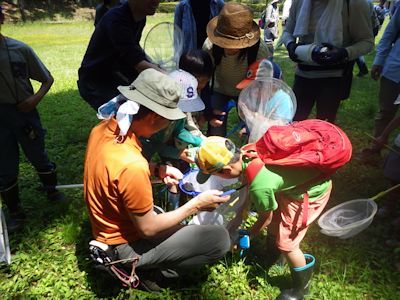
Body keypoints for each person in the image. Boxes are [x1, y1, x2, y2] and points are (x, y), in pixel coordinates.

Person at [84, 69, 231, 291]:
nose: (166, 127)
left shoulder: (103, 129)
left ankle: (142, 261)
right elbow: (149, 229)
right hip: (122, 243)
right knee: (219, 239)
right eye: (167, 121)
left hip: (105, 225)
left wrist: (155, 169)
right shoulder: (132, 164)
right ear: (154, 117)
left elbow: (111, 171)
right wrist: (196, 205)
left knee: (170, 220)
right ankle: (146, 273)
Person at [195, 135, 334, 299]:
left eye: (217, 175)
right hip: (294, 184)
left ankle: (301, 289)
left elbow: (264, 219)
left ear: (226, 170)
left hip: (310, 192)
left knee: (288, 243)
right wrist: (242, 210)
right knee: (276, 219)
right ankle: (275, 256)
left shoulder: (260, 187)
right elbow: (253, 187)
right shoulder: (248, 151)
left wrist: (249, 235)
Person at [0, 6, 64, 233]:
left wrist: (34, 100)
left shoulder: (20, 49)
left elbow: (47, 79)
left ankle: (52, 190)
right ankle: (15, 212)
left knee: (37, 153)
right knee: (5, 164)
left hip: (25, 113)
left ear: (2, 17)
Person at [281, 0, 374, 123]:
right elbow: (288, 31)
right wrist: (290, 45)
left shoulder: (353, 4)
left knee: (324, 126)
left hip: (333, 79)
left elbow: (367, 41)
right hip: (303, 75)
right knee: (293, 121)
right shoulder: (300, 2)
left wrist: (344, 53)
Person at [78, 0, 163, 110]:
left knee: (142, 113)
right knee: (123, 118)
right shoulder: (116, 19)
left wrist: (153, 65)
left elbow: (133, 48)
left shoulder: (140, 17)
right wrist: (171, 77)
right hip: (97, 82)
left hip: (117, 75)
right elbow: (138, 63)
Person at [202, 2, 272, 137]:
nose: (229, 48)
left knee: (251, 130)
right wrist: (207, 110)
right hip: (219, 89)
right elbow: (204, 81)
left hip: (248, 91)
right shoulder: (209, 46)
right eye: (225, 42)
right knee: (216, 129)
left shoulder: (259, 50)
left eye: (235, 44)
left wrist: (256, 113)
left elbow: (264, 84)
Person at [358, 9, 400, 161]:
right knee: (386, 112)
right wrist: (379, 61)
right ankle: (375, 150)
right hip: (396, 69)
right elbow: (389, 34)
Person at [178, 49, 213, 140]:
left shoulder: (199, 90)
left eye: (205, 81)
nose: (200, 85)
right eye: (198, 81)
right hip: (178, 136)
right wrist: (206, 141)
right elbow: (190, 127)